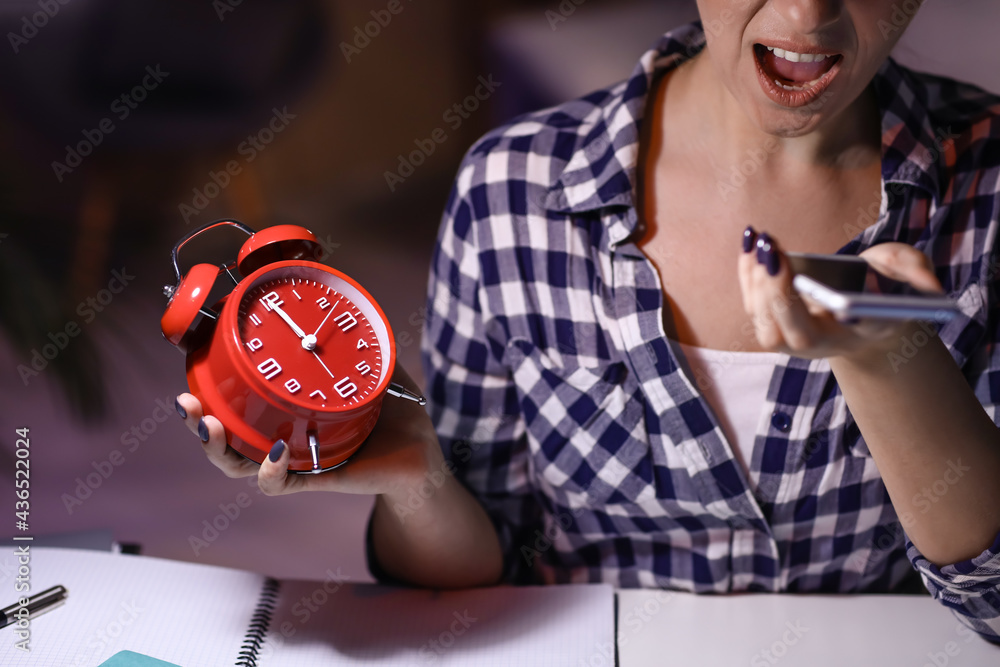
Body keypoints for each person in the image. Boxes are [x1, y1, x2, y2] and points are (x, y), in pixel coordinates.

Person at [177, 1, 1000, 643]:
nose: (803, 19)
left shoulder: (990, 190)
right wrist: (415, 476)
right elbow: (471, 589)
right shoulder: (510, 193)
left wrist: (894, 358)